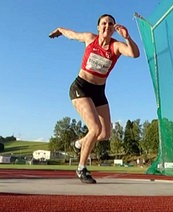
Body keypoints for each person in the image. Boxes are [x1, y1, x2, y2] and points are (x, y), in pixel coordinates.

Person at [49, 14, 140, 184]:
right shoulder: (90, 38)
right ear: (99, 27)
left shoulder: (116, 46)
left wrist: (128, 37)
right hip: (81, 87)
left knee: (105, 134)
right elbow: (73, 34)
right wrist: (60, 30)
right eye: (104, 23)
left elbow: (135, 54)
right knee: (95, 128)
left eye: (110, 24)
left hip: (99, 92)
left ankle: (79, 143)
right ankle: (81, 168)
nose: (107, 26)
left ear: (114, 28)